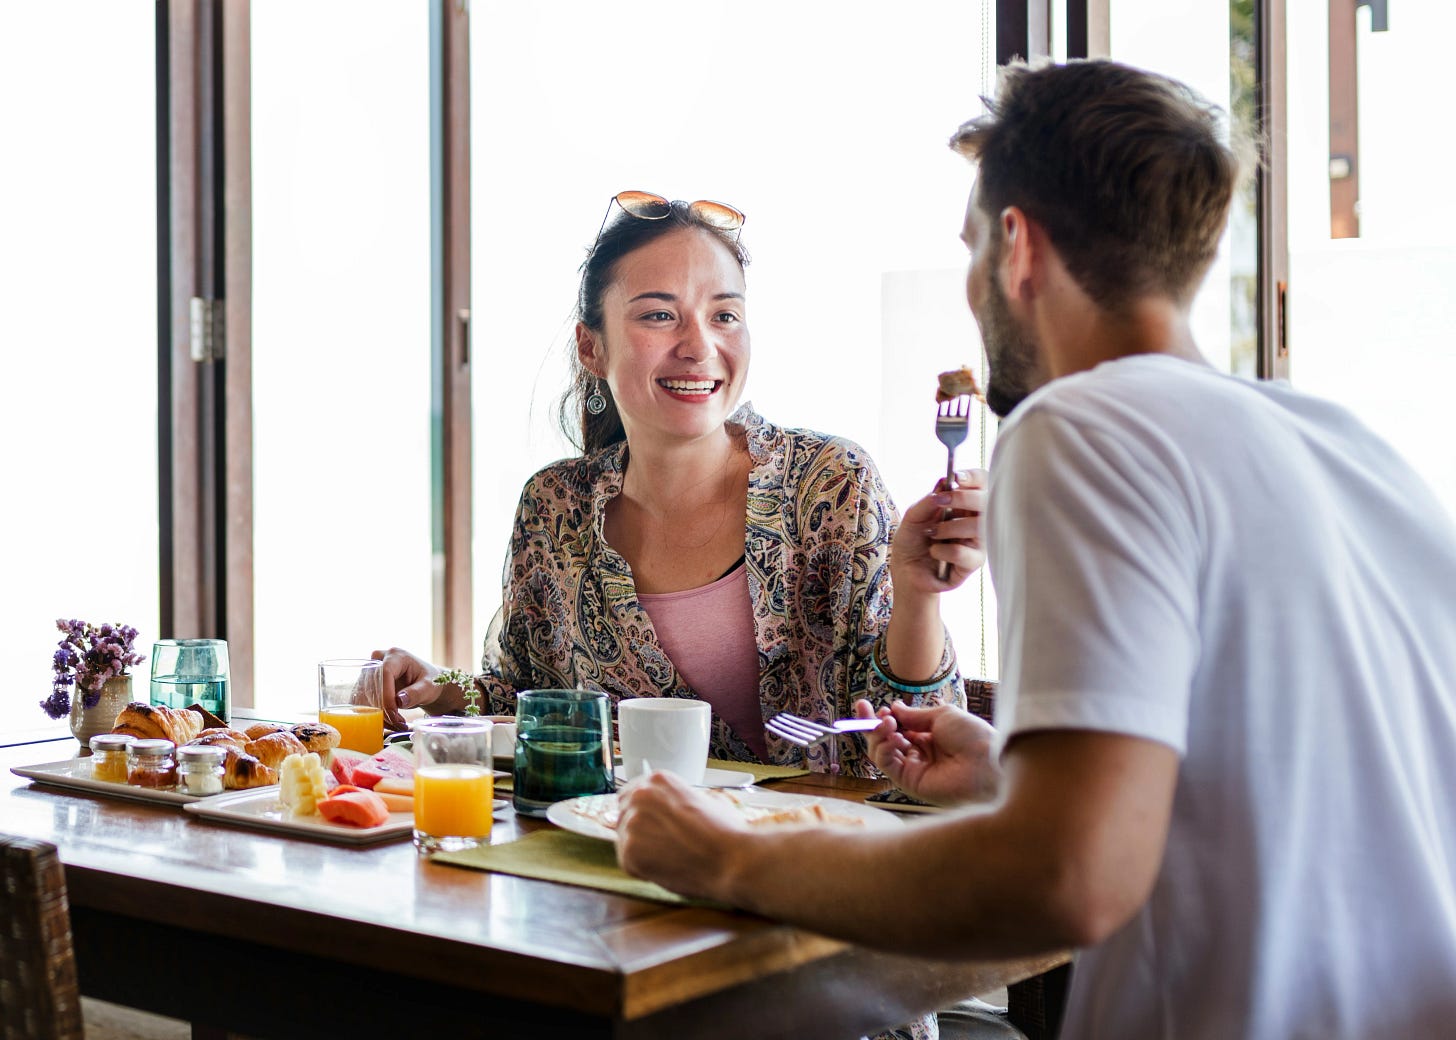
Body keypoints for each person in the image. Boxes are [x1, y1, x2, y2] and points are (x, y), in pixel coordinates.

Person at [614, 58, 1456, 1039]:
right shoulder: (1352, 449)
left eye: (970, 248)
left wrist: (724, 856)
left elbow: (1066, 874)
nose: (971, 288)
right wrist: (1013, 770)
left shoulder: (1081, 425)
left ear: (1016, 247)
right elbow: (1299, 792)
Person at [372, 191, 980, 781]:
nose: (699, 346)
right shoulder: (554, 506)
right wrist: (442, 688)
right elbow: (524, 699)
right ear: (592, 346)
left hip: (814, 852)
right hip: (622, 857)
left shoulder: (830, 484)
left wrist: (919, 595)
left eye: (724, 315)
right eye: (660, 315)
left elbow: (916, 737)